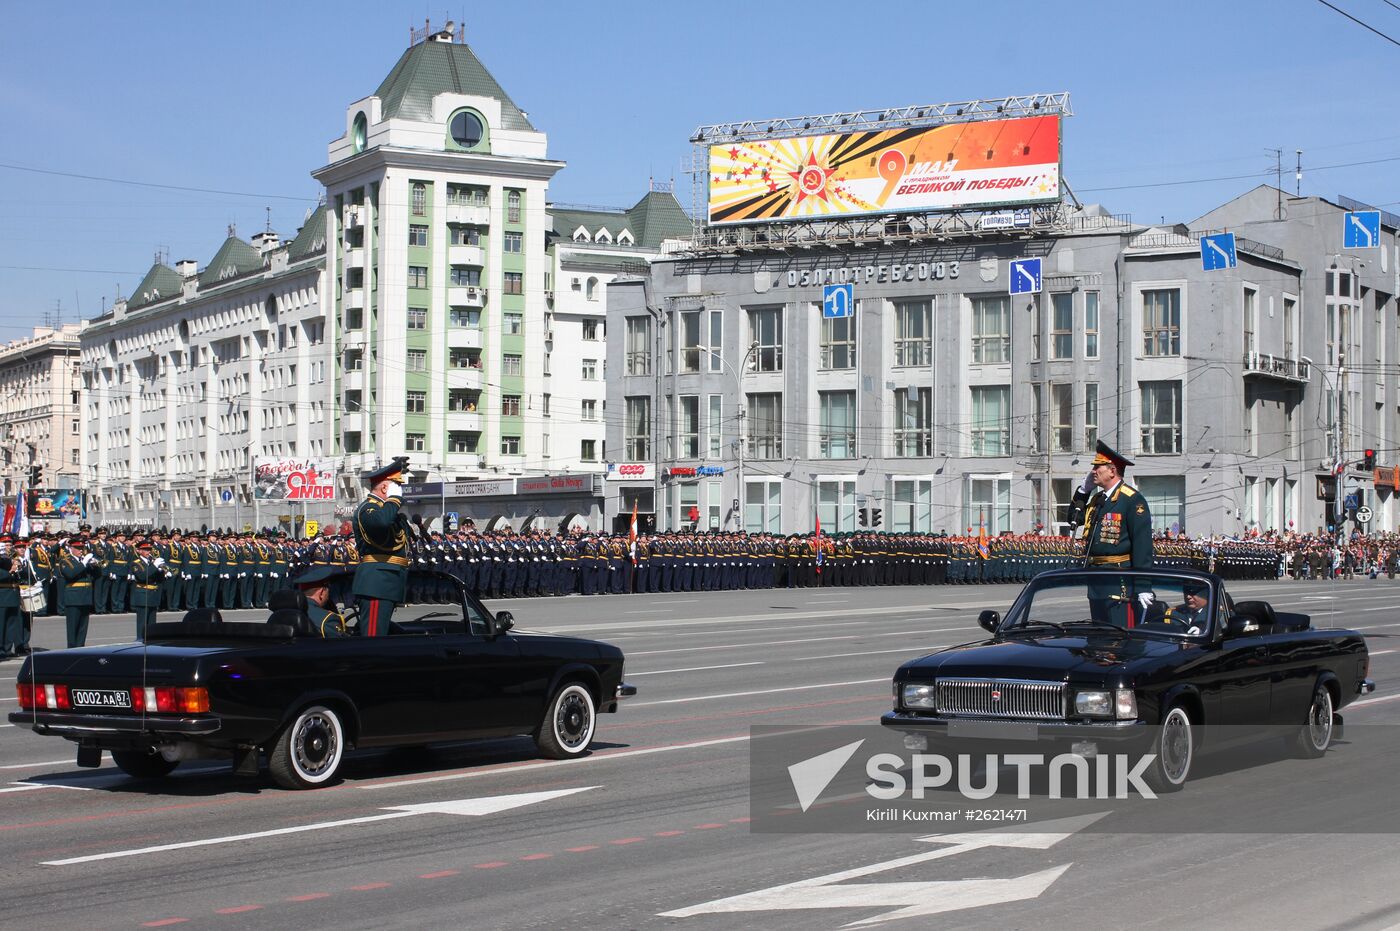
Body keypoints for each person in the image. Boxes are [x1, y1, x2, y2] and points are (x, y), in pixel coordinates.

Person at [1073, 440, 1153, 626]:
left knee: (1120, 633)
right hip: (1096, 577)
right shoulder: (1098, 499)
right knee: (1099, 634)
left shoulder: (1131, 500)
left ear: (1112, 470)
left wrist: (1143, 585)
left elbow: (1142, 546)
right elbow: (1074, 519)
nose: (1093, 471)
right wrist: (1083, 492)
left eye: (1097, 466)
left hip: (1119, 578)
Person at [351, 456, 412, 636]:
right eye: (396, 485)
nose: (400, 490)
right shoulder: (368, 509)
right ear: (385, 487)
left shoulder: (387, 511)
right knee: (373, 639)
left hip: (388, 580)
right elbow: (381, 523)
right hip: (377, 582)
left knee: (381, 635)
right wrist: (393, 500)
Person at [56, 534, 101, 648]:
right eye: (78, 548)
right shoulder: (65, 561)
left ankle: (80, 647)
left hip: (86, 597)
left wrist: (95, 566)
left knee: (83, 627)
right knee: (73, 627)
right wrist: (84, 563)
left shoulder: (85, 561)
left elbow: (96, 576)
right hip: (74, 598)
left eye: (82, 548)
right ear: (71, 548)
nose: (81, 550)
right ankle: (71, 649)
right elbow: (70, 574)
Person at [128, 537, 169, 639]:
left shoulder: (152, 562)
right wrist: (155, 566)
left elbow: (158, 579)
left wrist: (162, 572)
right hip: (143, 594)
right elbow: (142, 577)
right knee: (142, 622)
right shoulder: (136, 563)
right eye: (145, 550)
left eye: (149, 549)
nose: (148, 552)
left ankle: (151, 640)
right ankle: (141, 640)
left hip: (153, 594)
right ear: (139, 551)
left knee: (152, 623)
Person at [294, 564, 348, 638]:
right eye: (328, 590)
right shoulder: (327, 620)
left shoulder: (282, 614)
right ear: (321, 593)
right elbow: (340, 646)